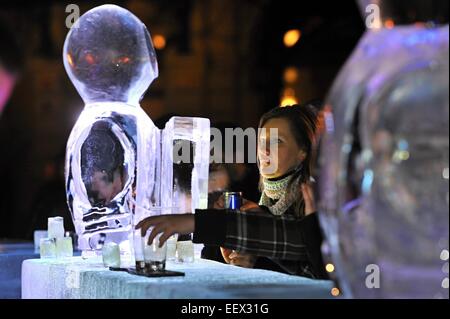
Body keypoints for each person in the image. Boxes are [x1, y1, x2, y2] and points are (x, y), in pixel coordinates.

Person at [136, 104, 328, 279]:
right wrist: (241, 257)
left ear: (303, 151)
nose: (265, 150)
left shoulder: (317, 198)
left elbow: (299, 246)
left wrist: (197, 223)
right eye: (261, 142)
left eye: (277, 141)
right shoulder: (262, 201)